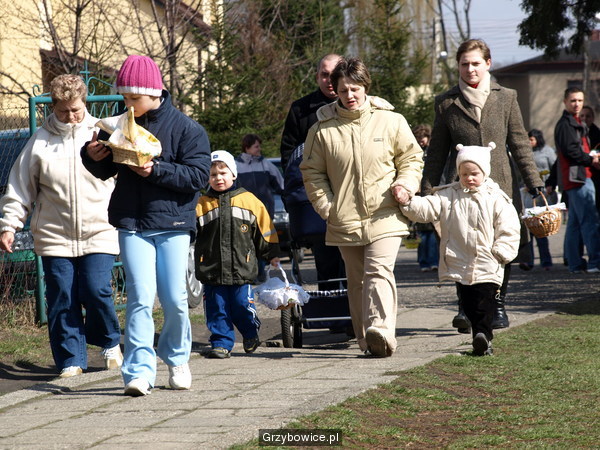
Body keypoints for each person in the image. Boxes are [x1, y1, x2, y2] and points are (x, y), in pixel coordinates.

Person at [82, 55, 211, 396]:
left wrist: (156, 170)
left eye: (134, 97)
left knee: (174, 298)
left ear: (155, 92)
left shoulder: (187, 129)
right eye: (124, 97)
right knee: (139, 297)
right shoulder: (118, 123)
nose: (128, 104)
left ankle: (177, 359)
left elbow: (198, 176)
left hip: (173, 224)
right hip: (132, 223)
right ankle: (138, 372)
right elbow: (105, 169)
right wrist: (91, 156)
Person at [0, 74, 122, 378]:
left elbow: (125, 177)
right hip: (54, 234)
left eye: (76, 110)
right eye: (63, 111)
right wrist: (9, 226)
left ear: (85, 104)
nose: (71, 116)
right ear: (52, 107)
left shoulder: (102, 134)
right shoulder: (39, 142)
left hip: (100, 228)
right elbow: (19, 189)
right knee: (62, 297)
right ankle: (71, 360)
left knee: (96, 289)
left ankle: (109, 343)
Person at [300, 57, 423, 357]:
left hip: (386, 212)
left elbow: (411, 158)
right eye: (343, 90)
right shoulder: (322, 130)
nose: (349, 95)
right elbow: (312, 172)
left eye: (354, 89)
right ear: (336, 91)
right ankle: (366, 339)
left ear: (366, 87)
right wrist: (327, 207)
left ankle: (382, 331)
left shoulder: (391, 121)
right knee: (357, 281)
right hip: (343, 217)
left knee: (378, 270)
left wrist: (405, 185)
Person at [420, 39, 543, 332]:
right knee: (462, 243)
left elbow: (519, 143)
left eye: (476, 63)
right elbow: (437, 151)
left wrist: (534, 181)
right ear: (458, 66)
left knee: (501, 243)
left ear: (488, 63)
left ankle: (497, 304)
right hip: (461, 187)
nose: (470, 69)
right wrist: (427, 189)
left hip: (499, 184)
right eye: (464, 64)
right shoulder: (446, 102)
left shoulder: (506, 97)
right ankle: (465, 307)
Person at [399, 143, 520, 355]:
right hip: (459, 259)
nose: (469, 178)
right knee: (468, 302)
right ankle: (478, 336)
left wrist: (502, 251)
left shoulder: (496, 197)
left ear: (484, 172)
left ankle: (483, 336)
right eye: (464, 174)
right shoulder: (448, 195)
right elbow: (427, 208)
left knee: (485, 300)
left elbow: (509, 227)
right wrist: (409, 202)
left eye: (474, 174)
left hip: (488, 259)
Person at [195, 151, 280, 359]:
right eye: (213, 175)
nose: (218, 178)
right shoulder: (201, 204)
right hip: (212, 269)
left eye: (223, 173)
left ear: (233, 174)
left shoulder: (249, 201)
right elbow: (191, 232)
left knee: (242, 305)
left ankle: (250, 333)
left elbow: (264, 230)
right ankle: (221, 343)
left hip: (241, 267)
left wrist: (271, 253)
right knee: (217, 308)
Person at [280, 53, 346, 290]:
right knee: (326, 263)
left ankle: (355, 311)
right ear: (317, 76)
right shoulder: (301, 109)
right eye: (324, 75)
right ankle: (330, 308)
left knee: (354, 265)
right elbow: (289, 154)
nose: (329, 80)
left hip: (350, 195)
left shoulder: (355, 103)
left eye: (334, 74)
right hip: (318, 199)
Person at [554, 87, 600, 274]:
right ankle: (595, 262)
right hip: (579, 178)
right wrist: (591, 159)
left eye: (580, 100)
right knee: (590, 221)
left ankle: (575, 264)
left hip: (577, 177)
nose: (577, 104)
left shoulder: (575, 121)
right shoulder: (566, 124)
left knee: (574, 223)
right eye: (573, 100)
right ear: (565, 101)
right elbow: (571, 151)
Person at [519, 129, 557, 271]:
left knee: (541, 228)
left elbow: (554, 168)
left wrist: (551, 185)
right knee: (529, 227)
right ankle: (528, 261)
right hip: (528, 193)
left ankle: (546, 261)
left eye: (532, 139)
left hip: (543, 193)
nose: (529, 142)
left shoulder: (547, 151)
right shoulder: (525, 152)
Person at [235, 134, 284, 219]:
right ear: (247, 148)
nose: (259, 149)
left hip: (266, 212)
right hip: (244, 213)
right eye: (256, 147)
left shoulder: (267, 165)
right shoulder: (236, 166)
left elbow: (282, 186)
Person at [412, 124, 439, 272]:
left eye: (422, 138)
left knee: (433, 231)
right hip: (418, 193)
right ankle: (424, 262)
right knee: (422, 232)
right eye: (418, 139)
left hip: (432, 192)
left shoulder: (434, 152)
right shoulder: (415, 151)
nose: (420, 141)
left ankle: (434, 261)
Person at [580, 105, 600, 213]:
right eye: (582, 116)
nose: (585, 118)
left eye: (588, 116)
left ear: (592, 118)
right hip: (579, 178)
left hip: (595, 178)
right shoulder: (575, 134)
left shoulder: (597, 135)